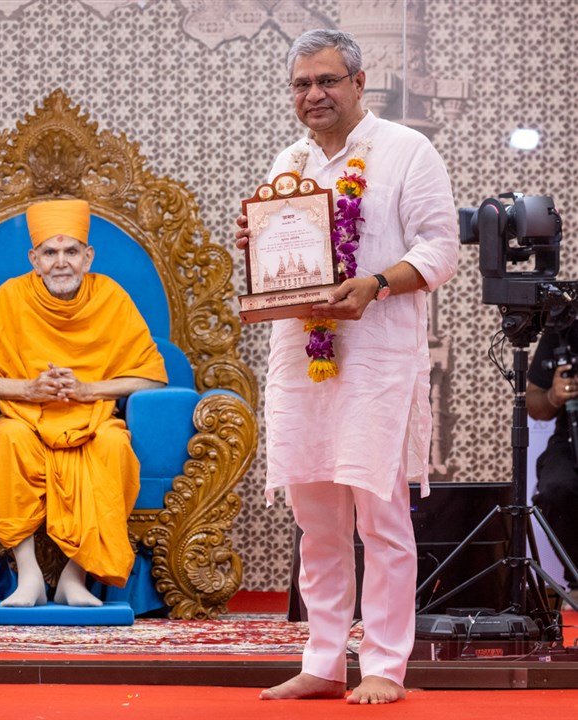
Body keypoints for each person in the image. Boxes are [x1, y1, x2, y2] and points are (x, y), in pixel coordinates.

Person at [235, 29, 458, 704]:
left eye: (328, 81)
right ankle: (324, 660)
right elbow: (281, 257)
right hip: (302, 363)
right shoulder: (289, 164)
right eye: (302, 85)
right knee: (316, 523)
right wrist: (254, 243)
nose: (315, 95)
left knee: (381, 520)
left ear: (361, 84)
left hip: (377, 362)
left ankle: (386, 664)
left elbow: (441, 249)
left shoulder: (405, 152)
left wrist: (377, 284)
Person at [0, 198, 167, 608]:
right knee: (5, 441)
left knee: (115, 447)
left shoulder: (111, 298)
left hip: (93, 418)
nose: (61, 262)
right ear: (34, 258)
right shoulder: (8, 299)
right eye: (50, 252)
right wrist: (27, 389)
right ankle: (28, 576)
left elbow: (151, 376)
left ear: (88, 256)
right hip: (25, 418)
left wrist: (87, 391)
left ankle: (73, 576)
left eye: (71, 251)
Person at [525, 328, 578, 603]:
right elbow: (534, 402)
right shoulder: (564, 329)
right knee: (556, 486)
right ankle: (577, 581)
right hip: (571, 436)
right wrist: (554, 397)